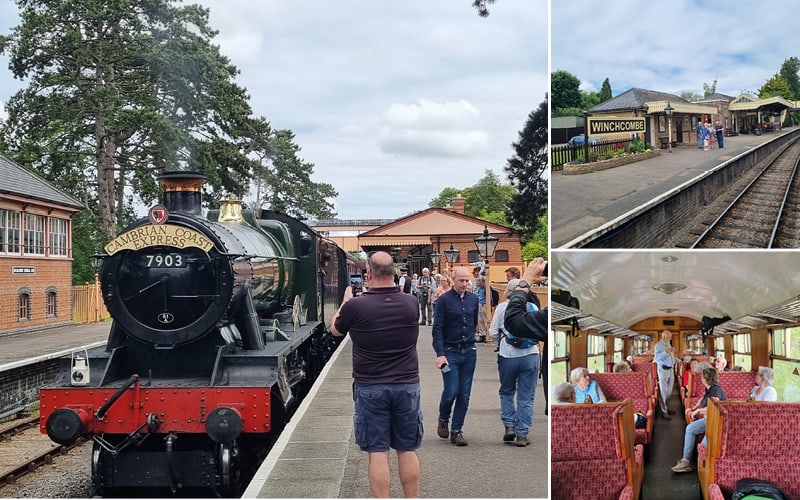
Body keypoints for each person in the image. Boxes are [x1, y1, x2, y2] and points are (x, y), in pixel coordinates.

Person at [330, 251, 422, 497]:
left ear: (368, 274)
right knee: (407, 448)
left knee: (378, 452)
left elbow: (335, 331)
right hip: (407, 385)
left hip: (370, 386)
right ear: (394, 273)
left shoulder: (356, 306)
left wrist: (346, 300)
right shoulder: (411, 303)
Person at [432, 266, 479, 447]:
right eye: (461, 280)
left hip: (469, 352)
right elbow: (437, 329)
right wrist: (440, 354)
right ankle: (444, 417)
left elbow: (474, 322)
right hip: (449, 352)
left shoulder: (474, 299)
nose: (465, 284)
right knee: (451, 390)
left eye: (467, 281)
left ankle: (456, 430)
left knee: (464, 394)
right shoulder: (444, 301)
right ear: (453, 280)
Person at [489, 278, 539, 447]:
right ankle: (522, 435)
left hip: (507, 355)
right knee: (526, 396)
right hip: (530, 355)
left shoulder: (502, 308)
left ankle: (509, 426)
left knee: (507, 391)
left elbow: (493, 332)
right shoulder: (533, 307)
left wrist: (502, 342)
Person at [672, 366, 727, 473]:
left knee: (703, 446)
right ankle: (686, 460)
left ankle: (705, 470)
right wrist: (693, 408)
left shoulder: (716, 391)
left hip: (716, 423)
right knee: (690, 428)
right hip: (708, 420)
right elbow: (703, 399)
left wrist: (697, 412)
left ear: (704, 379)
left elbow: (713, 408)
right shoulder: (710, 389)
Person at [654, 329, 676, 419]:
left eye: (670, 337)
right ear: (664, 337)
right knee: (663, 391)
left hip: (671, 369)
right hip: (663, 370)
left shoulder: (668, 344)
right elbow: (657, 358)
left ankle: (667, 407)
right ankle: (664, 411)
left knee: (669, 391)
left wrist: (678, 360)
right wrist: (665, 351)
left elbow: (670, 358)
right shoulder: (658, 346)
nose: (670, 338)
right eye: (669, 337)